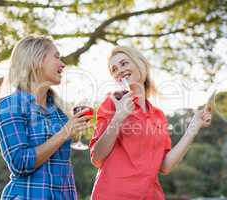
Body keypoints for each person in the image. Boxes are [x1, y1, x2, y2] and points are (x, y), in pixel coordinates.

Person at [89, 46, 212, 199]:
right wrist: (118, 118)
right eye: (114, 69)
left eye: (124, 63)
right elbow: (96, 157)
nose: (119, 70)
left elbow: (165, 166)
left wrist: (194, 126)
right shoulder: (112, 103)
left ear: (141, 64)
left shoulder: (158, 115)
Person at [0, 35, 92, 199]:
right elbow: (20, 163)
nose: (63, 64)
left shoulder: (58, 112)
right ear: (36, 59)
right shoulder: (10, 106)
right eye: (56, 56)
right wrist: (65, 132)